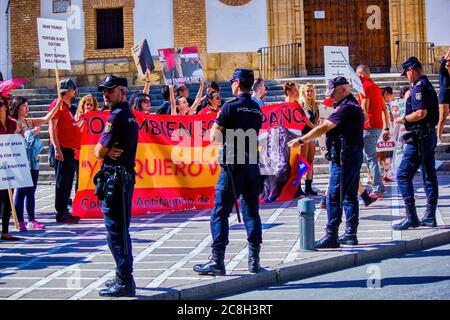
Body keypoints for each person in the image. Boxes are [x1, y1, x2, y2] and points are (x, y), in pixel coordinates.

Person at [193, 68, 263, 276]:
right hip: (252, 165)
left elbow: (213, 137)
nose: (230, 85)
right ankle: (254, 260)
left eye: (232, 81)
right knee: (252, 213)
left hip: (233, 165)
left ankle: (217, 260)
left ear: (238, 83)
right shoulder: (256, 108)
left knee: (220, 212)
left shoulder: (229, 107)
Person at [288, 77, 364, 248]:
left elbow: (324, 128)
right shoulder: (353, 106)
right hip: (352, 156)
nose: (332, 97)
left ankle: (332, 236)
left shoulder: (346, 108)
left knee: (334, 197)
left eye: (334, 93)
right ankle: (351, 234)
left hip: (344, 159)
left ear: (344, 89)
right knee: (350, 196)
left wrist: (301, 140)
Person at [94, 75, 139, 297]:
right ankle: (122, 274)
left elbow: (99, 152)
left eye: (109, 90)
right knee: (121, 228)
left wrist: (102, 151)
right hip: (124, 177)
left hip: (115, 177)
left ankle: (125, 279)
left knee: (115, 230)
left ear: (121, 91)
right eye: (104, 90)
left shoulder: (117, 116)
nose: (105, 94)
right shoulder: (129, 115)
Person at [393, 57, 439, 230]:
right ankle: (430, 215)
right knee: (429, 175)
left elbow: (420, 112)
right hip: (429, 135)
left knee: (403, 175)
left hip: (419, 137)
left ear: (412, 69)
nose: (406, 76)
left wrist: (403, 119)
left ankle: (411, 216)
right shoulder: (427, 85)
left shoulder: (419, 87)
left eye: (406, 73)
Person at [10, 97, 61, 231]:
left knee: (31, 191)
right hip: (21, 161)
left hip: (33, 160)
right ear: (17, 107)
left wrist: (57, 106)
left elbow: (45, 119)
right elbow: (18, 137)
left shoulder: (28, 121)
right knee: (21, 191)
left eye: (27, 106)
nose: (27, 108)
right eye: (24, 106)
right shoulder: (13, 122)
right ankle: (20, 220)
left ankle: (31, 219)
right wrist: (33, 132)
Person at [48, 78, 81, 224]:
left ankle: (65, 211)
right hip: (62, 148)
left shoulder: (68, 107)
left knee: (68, 181)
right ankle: (61, 212)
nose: (75, 91)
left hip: (70, 149)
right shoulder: (58, 104)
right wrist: (56, 148)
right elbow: (52, 127)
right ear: (67, 91)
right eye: (73, 89)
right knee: (62, 181)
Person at [356, 65, 390, 199]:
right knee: (368, 156)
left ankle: (376, 189)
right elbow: (384, 108)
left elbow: (364, 105)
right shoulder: (376, 87)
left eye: (358, 74)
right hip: (377, 126)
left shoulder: (364, 87)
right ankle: (380, 185)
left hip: (368, 126)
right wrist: (386, 127)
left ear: (362, 74)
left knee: (370, 157)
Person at [284, 81, 315, 197]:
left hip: (300, 136)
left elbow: (304, 119)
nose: (298, 92)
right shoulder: (285, 105)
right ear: (288, 92)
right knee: (295, 163)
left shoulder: (297, 104)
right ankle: (295, 188)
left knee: (301, 162)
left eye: (297, 90)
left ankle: (299, 187)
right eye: (295, 90)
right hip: (290, 137)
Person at [0, 94, 20, 241]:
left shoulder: (13, 123)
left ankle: (5, 231)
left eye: (0, 103)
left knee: (8, 198)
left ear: (6, 105)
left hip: (11, 164)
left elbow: (17, 141)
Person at [299, 83, 320, 196]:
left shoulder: (314, 105)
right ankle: (298, 185)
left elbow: (316, 119)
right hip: (304, 134)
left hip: (312, 134)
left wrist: (317, 124)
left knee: (310, 161)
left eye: (311, 91)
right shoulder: (302, 104)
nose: (309, 93)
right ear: (303, 92)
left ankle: (308, 186)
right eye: (307, 91)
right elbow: (304, 120)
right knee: (303, 161)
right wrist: (315, 127)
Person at [437, 49, 450, 144]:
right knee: (442, 118)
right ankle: (438, 137)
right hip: (444, 94)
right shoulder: (442, 71)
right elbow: (442, 62)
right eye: (448, 61)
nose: (449, 62)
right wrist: (449, 51)